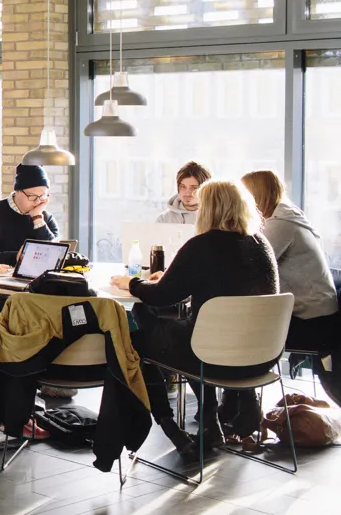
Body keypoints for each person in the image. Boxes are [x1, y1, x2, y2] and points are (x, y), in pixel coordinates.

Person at [112, 180, 279, 454]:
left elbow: (161, 296)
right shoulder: (261, 245)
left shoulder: (202, 245)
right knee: (181, 335)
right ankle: (211, 416)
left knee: (139, 341)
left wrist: (130, 283)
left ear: (209, 209)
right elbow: (226, 283)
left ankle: (171, 427)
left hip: (212, 358)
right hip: (261, 359)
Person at [242, 170, 338, 354]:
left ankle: (240, 378)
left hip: (312, 321)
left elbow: (250, 266)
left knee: (241, 332)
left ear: (255, 196)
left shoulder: (281, 224)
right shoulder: (286, 215)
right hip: (317, 312)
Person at [0, 164, 59, 265]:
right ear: (17, 191)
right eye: (32, 196)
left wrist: (37, 218)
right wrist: (18, 256)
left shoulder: (45, 218)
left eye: (43, 196)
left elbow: (55, 255)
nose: (37, 202)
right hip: (0, 277)